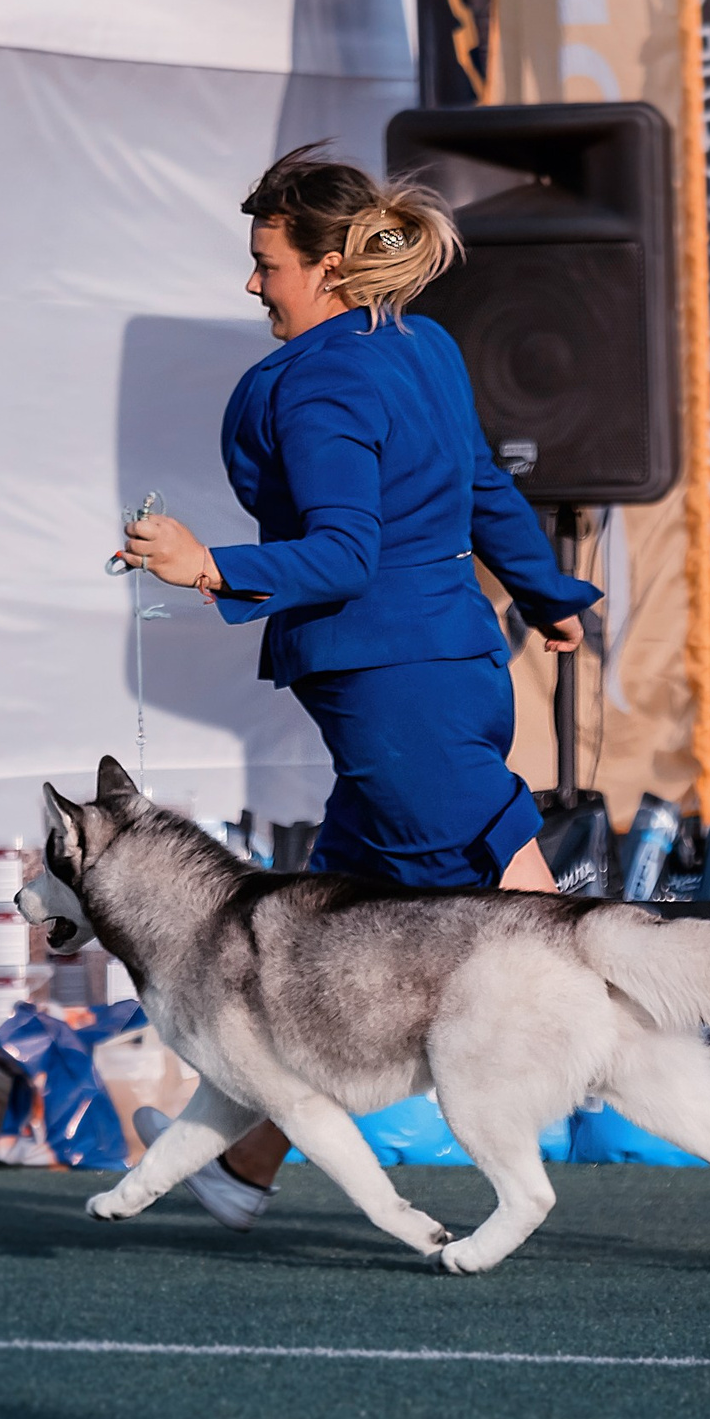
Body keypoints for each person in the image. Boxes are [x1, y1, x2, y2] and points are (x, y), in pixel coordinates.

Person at [114, 146, 600, 1228]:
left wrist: (209, 566)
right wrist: (549, 592)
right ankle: (239, 1168)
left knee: (536, 921)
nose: (251, 286)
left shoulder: (313, 379)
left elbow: (342, 553)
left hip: (396, 703)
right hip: (455, 674)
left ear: (327, 266)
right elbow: (482, 486)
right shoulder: (420, 346)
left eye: (265, 264)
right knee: (307, 965)